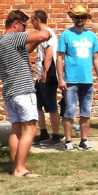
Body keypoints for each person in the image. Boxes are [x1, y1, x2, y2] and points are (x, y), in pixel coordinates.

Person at [0, 9, 49, 177]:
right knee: (30, 129)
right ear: (15, 24)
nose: (25, 29)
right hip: (23, 90)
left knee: (16, 130)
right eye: (24, 25)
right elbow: (44, 35)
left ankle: (15, 168)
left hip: (10, 92)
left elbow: (28, 49)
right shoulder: (13, 37)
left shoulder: (0, 41)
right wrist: (40, 25)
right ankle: (21, 168)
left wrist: (37, 41)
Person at [56, 5, 98, 151]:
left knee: (86, 112)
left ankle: (84, 140)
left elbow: (96, 57)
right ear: (72, 18)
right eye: (77, 17)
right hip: (70, 79)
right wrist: (61, 79)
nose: (79, 19)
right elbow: (59, 57)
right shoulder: (66, 35)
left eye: (82, 17)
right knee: (69, 111)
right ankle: (69, 141)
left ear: (86, 19)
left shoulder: (92, 36)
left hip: (87, 80)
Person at [31, 10, 62, 145]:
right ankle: (43, 133)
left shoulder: (47, 34)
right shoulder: (42, 34)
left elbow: (49, 54)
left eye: (32, 19)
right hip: (40, 77)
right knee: (37, 105)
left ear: (38, 20)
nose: (31, 22)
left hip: (47, 77)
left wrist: (44, 73)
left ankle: (56, 135)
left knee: (51, 106)